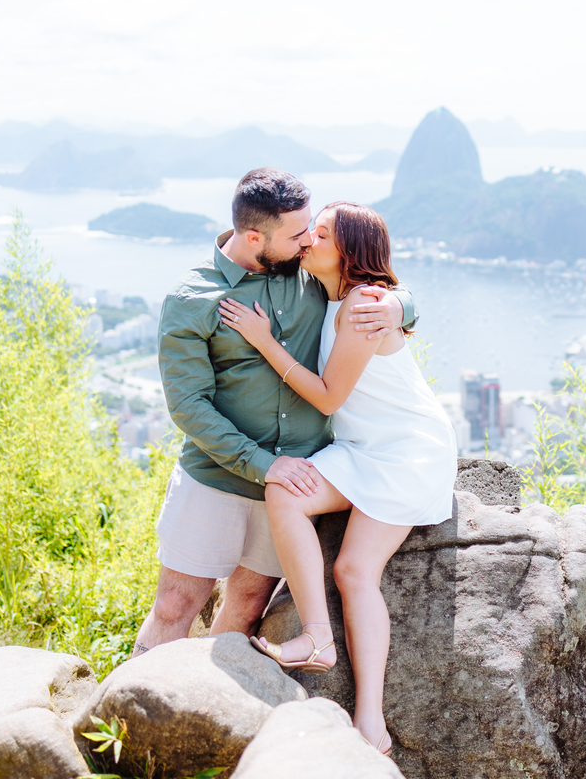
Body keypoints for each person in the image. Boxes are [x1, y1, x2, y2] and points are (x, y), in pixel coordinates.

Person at [132, 169, 418, 657]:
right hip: (216, 477)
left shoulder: (311, 271)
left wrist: (398, 306)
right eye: (296, 233)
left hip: (294, 487)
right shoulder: (192, 299)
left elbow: (375, 286)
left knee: (246, 605)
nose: (308, 240)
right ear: (253, 237)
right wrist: (265, 465)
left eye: (310, 228)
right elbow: (188, 406)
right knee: (175, 606)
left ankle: (209, 717)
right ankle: (127, 720)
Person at [218, 201, 456, 755]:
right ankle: (318, 640)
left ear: (347, 250)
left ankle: (369, 718)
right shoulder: (325, 294)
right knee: (285, 490)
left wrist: (263, 341)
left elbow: (329, 396)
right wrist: (405, 302)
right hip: (357, 448)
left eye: (320, 234)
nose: (308, 240)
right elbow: (248, 244)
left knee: (353, 570)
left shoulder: (364, 305)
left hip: (405, 452)